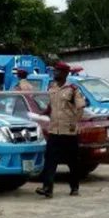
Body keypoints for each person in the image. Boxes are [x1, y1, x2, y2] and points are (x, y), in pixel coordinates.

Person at [36, 61, 86, 198]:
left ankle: (74, 187)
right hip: (54, 131)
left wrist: (75, 123)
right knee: (50, 160)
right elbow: (51, 107)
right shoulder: (52, 88)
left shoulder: (73, 89)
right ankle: (47, 188)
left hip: (69, 131)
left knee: (72, 161)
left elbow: (81, 108)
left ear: (65, 73)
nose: (54, 73)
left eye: (57, 71)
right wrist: (42, 113)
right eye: (54, 71)